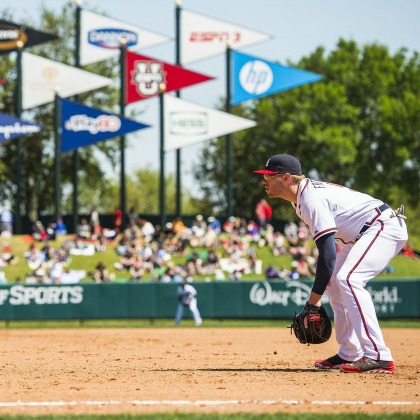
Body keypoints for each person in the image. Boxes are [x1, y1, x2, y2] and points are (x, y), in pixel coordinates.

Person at [254, 153, 408, 374]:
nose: (264, 180)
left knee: (349, 278)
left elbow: (327, 255)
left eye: (270, 175)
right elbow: (327, 255)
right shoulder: (302, 197)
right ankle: (349, 351)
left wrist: (312, 303)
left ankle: (378, 355)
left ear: (286, 177)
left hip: (382, 226)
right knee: (336, 282)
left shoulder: (310, 200)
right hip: (363, 233)